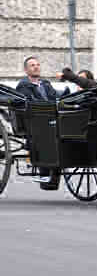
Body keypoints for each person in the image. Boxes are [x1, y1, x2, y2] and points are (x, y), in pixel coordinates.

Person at [16, 56, 67, 188]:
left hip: (51, 119)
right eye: (32, 65)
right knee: (48, 136)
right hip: (34, 121)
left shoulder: (45, 84)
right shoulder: (23, 86)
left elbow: (55, 96)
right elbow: (28, 103)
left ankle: (53, 175)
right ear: (26, 70)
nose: (36, 67)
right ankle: (46, 173)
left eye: (38, 64)